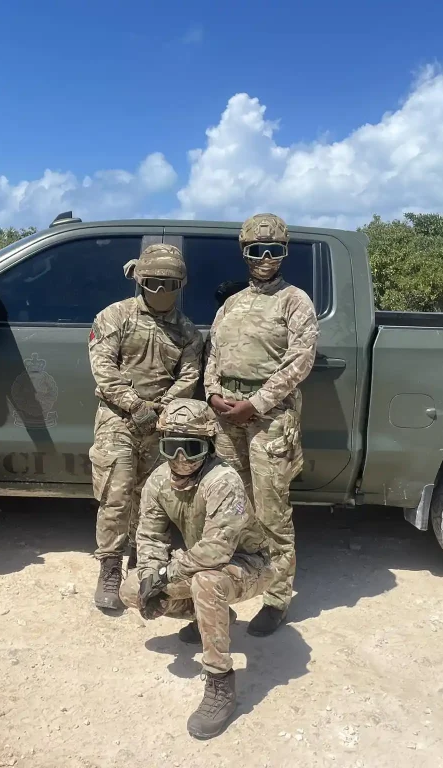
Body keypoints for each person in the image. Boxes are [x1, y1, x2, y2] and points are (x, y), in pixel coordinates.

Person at [120, 398, 276, 740]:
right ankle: (207, 618)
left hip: (249, 564)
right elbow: (148, 536)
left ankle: (220, 683)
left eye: (190, 448)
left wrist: (164, 576)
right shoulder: (158, 482)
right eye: (171, 447)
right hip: (202, 563)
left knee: (207, 582)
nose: (180, 458)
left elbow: (217, 551)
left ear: (206, 446)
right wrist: (150, 572)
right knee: (132, 588)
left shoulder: (223, 480)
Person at [203, 213, 318, 636]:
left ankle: (276, 597)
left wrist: (256, 403)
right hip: (227, 416)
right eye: (256, 250)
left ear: (284, 253)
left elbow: (300, 360)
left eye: (274, 250)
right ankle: (229, 587)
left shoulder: (295, 301)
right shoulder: (231, 304)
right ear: (244, 253)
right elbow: (212, 352)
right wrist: (213, 392)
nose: (265, 258)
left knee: (272, 511)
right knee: (232, 506)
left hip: (268, 419)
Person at [88, 243, 204, 611]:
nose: (160, 290)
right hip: (118, 419)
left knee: (152, 498)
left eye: (169, 283)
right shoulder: (114, 317)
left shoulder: (187, 332)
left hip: (161, 424)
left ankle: (143, 562)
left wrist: (162, 409)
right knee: (116, 493)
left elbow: (190, 375)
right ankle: (109, 567)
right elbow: (103, 367)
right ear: (140, 280)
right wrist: (134, 405)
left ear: (180, 284)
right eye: (153, 282)